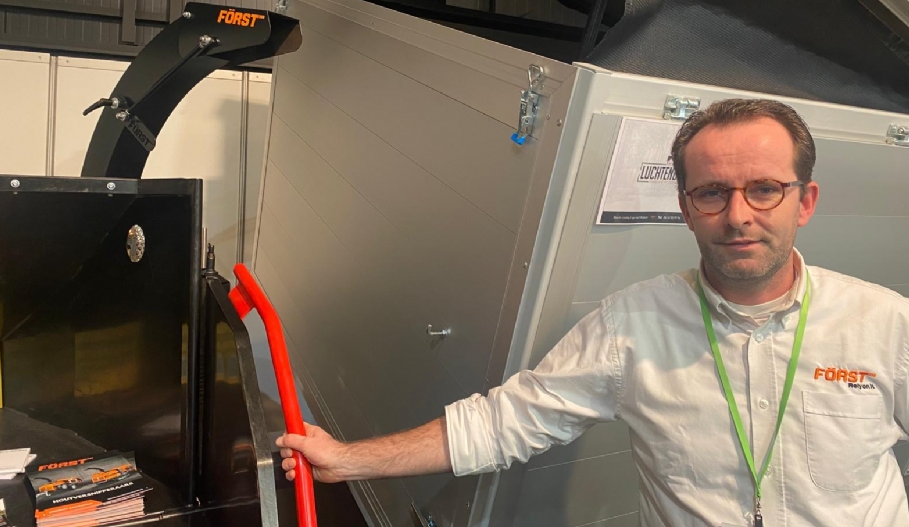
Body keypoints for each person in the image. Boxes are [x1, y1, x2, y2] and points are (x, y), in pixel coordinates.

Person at [276, 98, 909, 526]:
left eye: (765, 189)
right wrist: (349, 458)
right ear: (686, 209)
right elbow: (504, 422)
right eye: (712, 192)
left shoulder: (886, 324)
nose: (738, 215)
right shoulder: (631, 326)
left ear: (805, 201)